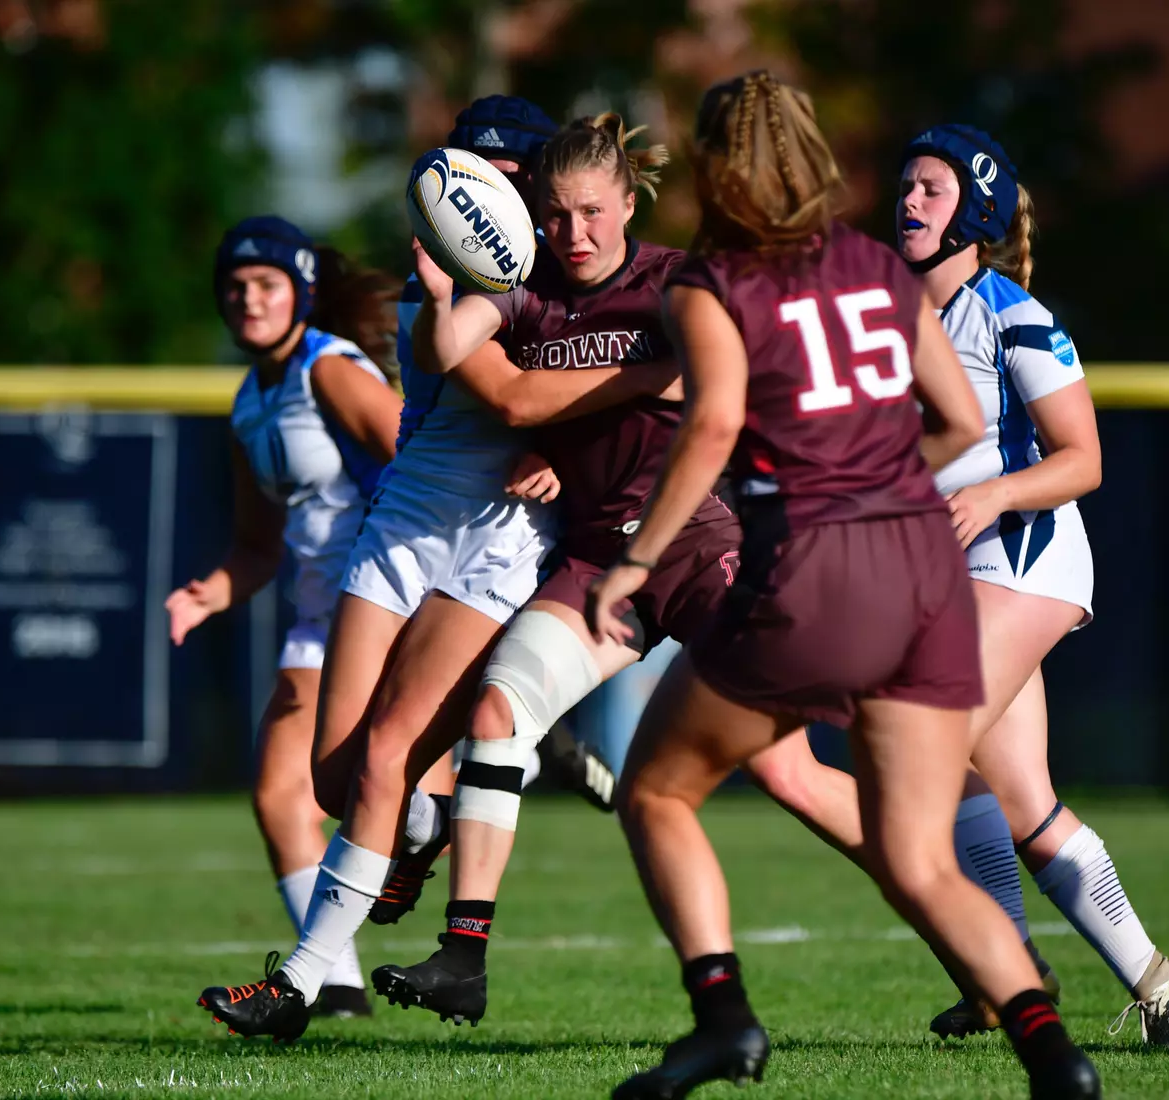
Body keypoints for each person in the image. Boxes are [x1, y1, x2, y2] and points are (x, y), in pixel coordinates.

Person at [588, 72, 1101, 1100]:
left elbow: (717, 423)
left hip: (817, 569)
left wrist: (637, 559)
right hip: (926, 572)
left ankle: (722, 1017)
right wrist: (876, 472)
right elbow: (957, 421)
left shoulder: (709, 280)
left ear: (717, 162)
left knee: (654, 788)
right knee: (920, 860)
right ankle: (1057, 1059)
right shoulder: (877, 265)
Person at [369, 112, 883, 1032]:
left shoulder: (675, 283)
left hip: (698, 543)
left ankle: (962, 917)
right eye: (556, 215)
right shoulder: (526, 292)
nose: (574, 234)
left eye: (592, 212)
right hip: (602, 559)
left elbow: (741, 385)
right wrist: (453, 284)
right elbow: (450, 355)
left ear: (630, 199)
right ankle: (463, 956)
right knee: (499, 712)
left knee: (788, 774)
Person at [195, 98, 679, 1043]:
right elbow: (479, 375)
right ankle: (424, 822)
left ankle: (297, 985)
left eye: (502, 174)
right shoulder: (462, 271)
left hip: (500, 535)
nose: (480, 191)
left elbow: (571, 384)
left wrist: (571, 446)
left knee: (384, 754)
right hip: (407, 519)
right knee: (337, 782)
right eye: (468, 171)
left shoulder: (559, 273)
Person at [895, 125, 1169, 1047]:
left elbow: (1086, 460)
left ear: (977, 214)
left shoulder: (1012, 312)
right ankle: (1156, 978)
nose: (908, 201)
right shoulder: (891, 314)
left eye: (931, 190)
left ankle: (1005, 972)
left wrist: (993, 492)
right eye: (904, 185)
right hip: (953, 573)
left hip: (1027, 559)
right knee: (1014, 799)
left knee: (918, 735)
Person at [169, 216, 402, 1018]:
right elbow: (256, 547)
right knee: (279, 796)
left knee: (383, 793)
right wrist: (208, 592)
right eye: (234, 288)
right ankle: (333, 986)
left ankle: (504, 739)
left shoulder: (328, 369)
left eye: (266, 284)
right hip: (316, 619)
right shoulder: (247, 402)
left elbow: (420, 462)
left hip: (387, 606)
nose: (248, 299)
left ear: (300, 292)